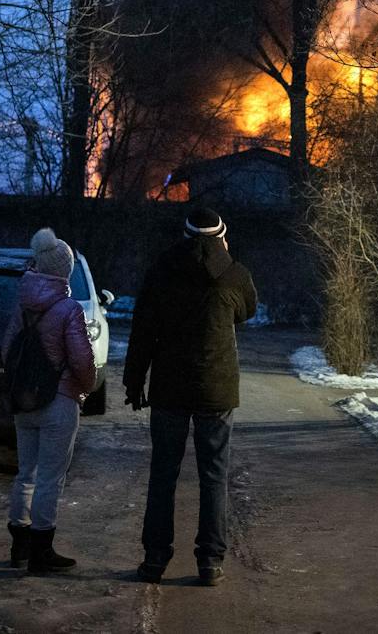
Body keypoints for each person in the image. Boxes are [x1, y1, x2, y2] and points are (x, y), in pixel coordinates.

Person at [124, 207, 258, 587]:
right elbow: (247, 312)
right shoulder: (234, 273)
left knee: (163, 475)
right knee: (214, 475)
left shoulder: (162, 270)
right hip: (216, 389)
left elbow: (142, 330)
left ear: (183, 235)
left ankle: (154, 558)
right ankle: (210, 561)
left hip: (169, 389)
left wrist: (135, 381)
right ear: (221, 235)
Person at [3, 227, 95, 575]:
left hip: (24, 400)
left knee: (25, 472)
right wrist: (83, 388)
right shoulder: (68, 308)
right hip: (59, 400)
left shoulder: (23, 304)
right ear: (64, 270)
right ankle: (42, 550)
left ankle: (19, 547)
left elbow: (8, 348)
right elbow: (82, 360)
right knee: (50, 478)